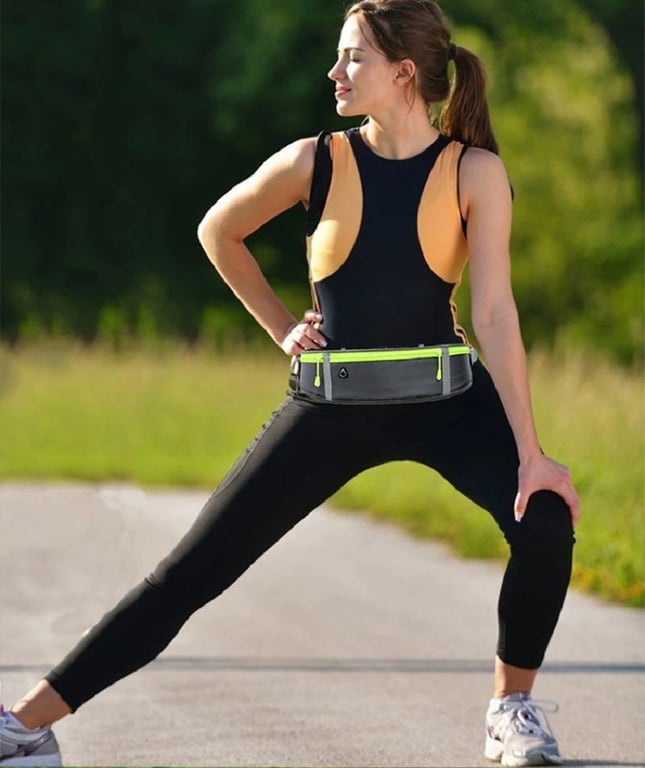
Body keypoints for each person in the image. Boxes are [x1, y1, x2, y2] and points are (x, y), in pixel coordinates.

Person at [0, 1, 579, 766]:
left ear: (403, 73)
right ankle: (25, 726)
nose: (334, 72)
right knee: (191, 572)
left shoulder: (473, 170)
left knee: (544, 520)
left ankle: (511, 709)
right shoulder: (315, 160)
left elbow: (495, 315)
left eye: (352, 57)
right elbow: (220, 230)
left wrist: (531, 454)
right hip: (330, 407)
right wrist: (281, 328)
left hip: (447, 402)